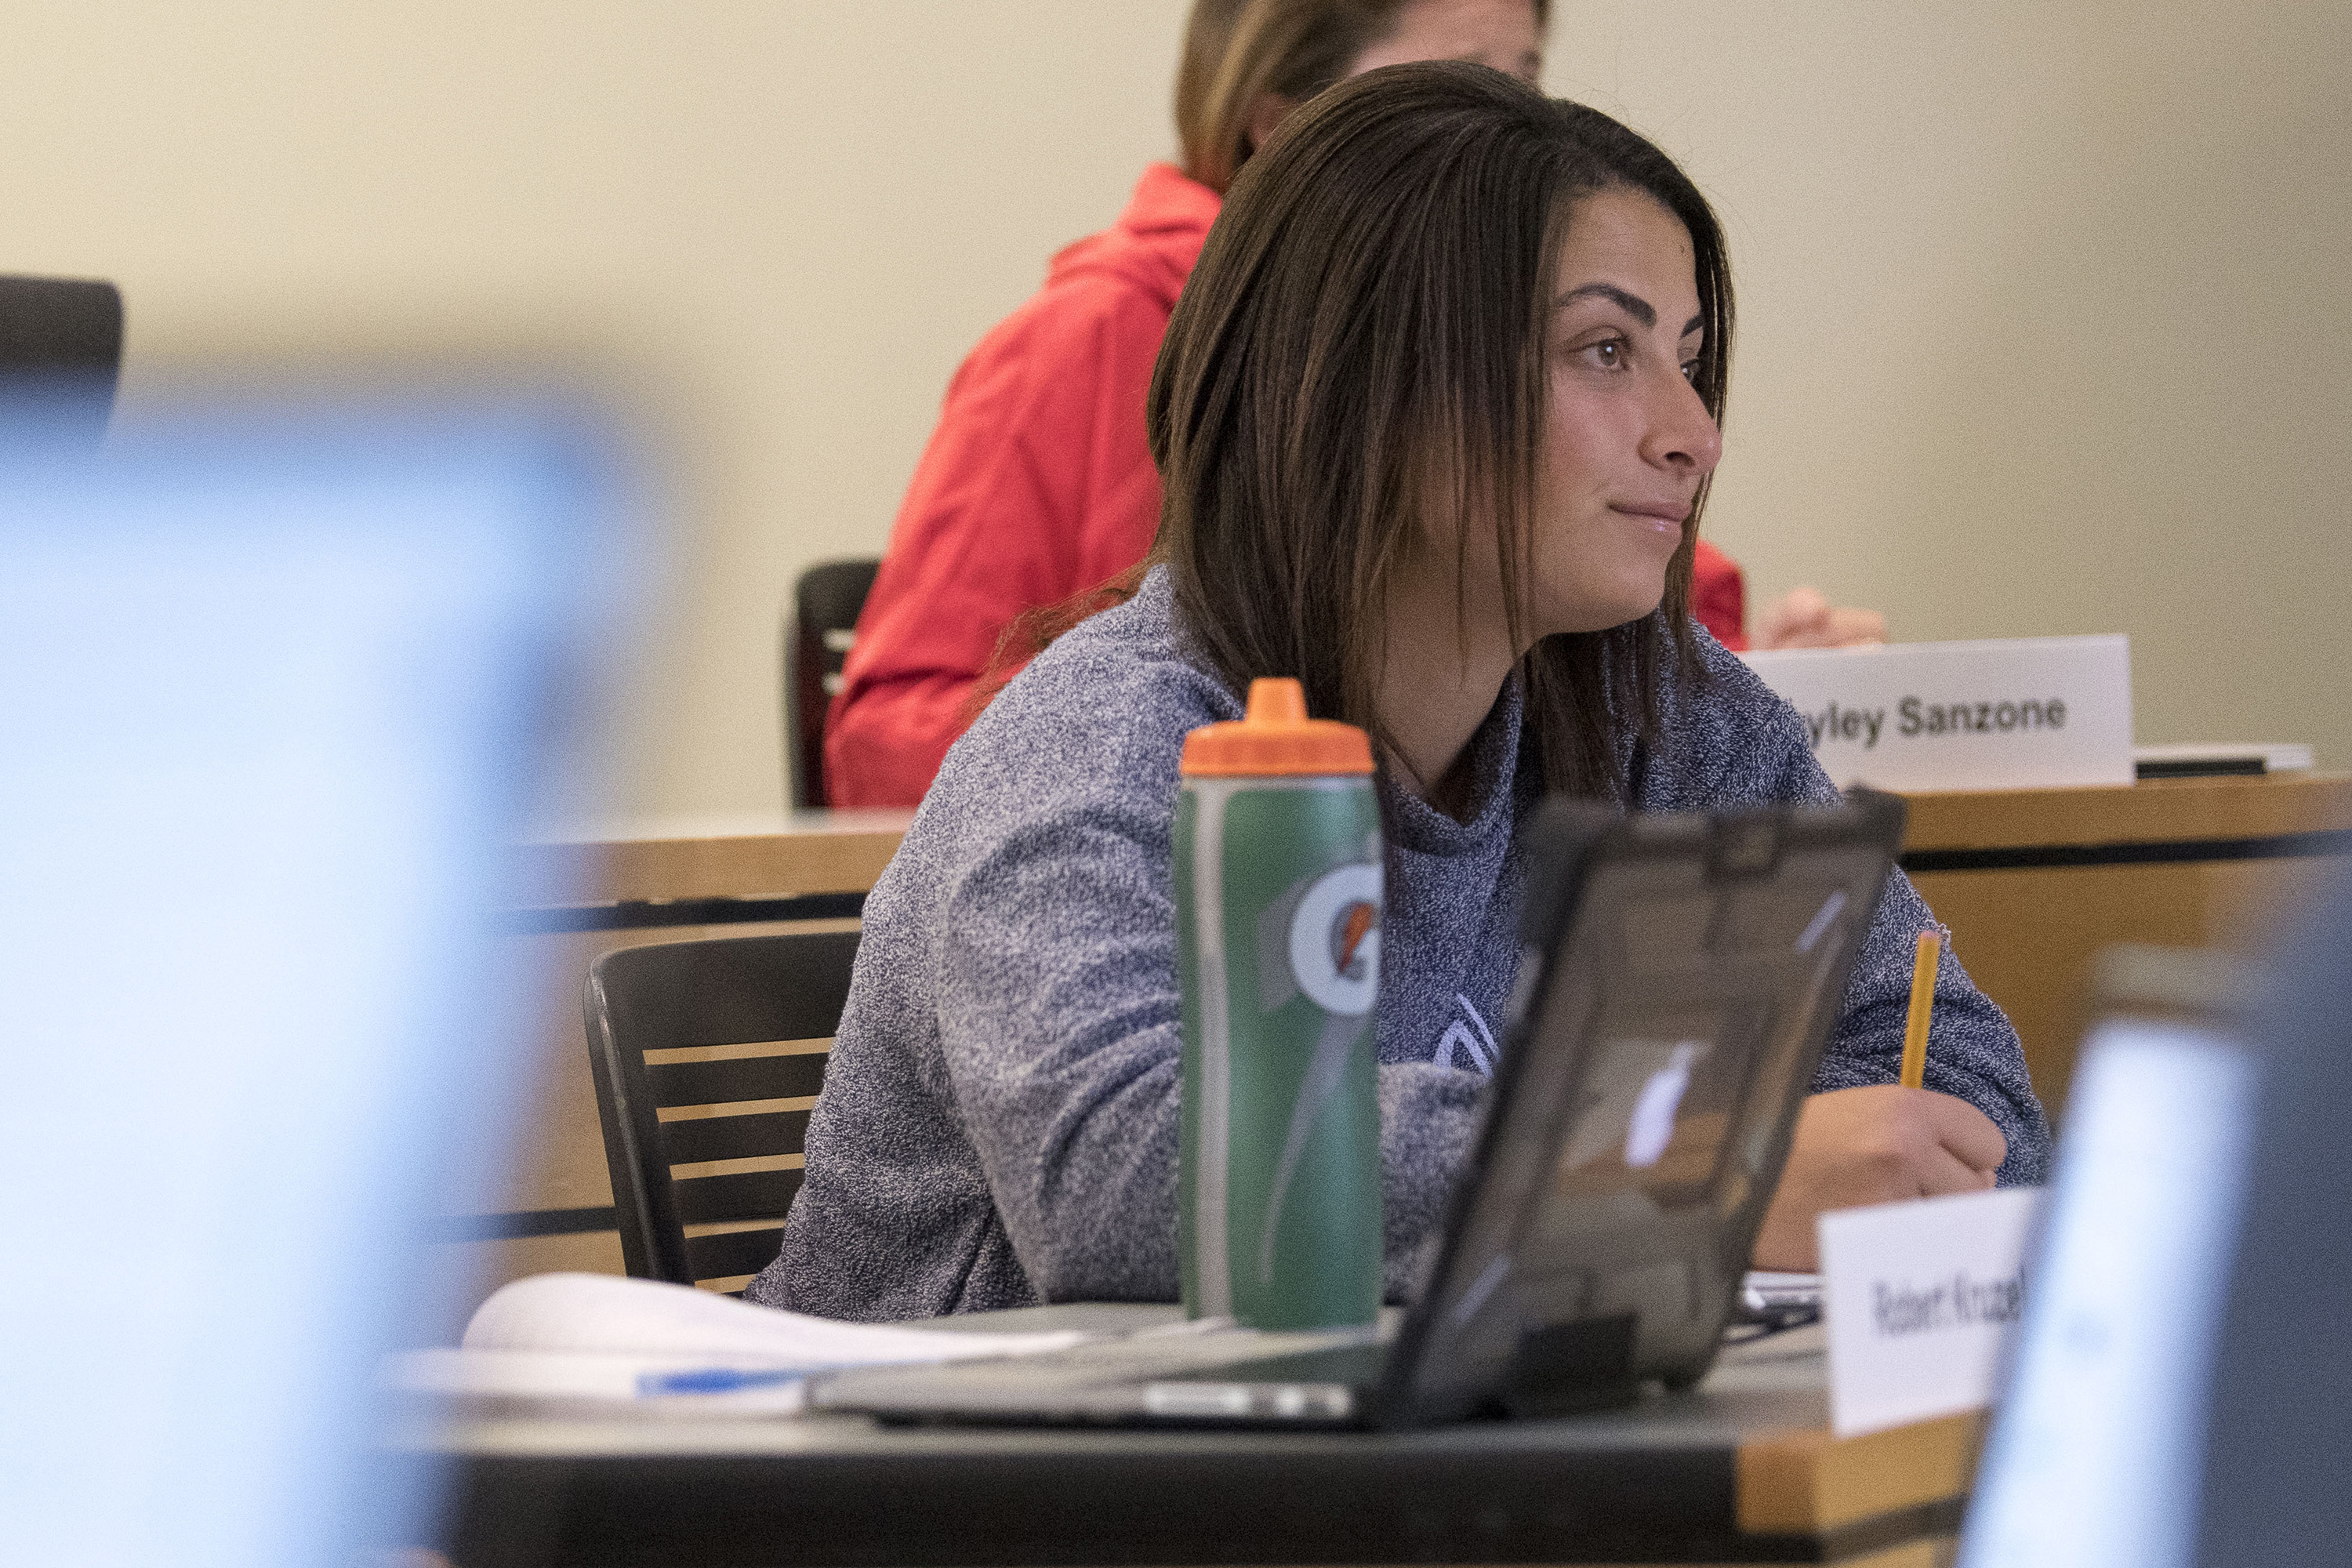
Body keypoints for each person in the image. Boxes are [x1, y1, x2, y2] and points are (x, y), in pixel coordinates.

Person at [748, 64, 2046, 1322]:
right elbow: (1124, 1176)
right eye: (1606, 349)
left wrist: (1720, 1166)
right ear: (1382, 383)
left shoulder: (1679, 720)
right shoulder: (1107, 735)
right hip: (963, 1504)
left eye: (1689, 358)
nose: (1691, 432)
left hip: (1402, 1473)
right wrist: (1681, 1171)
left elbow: (1967, 1091)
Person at [823, 0, 1883, 809]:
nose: (1523, 137)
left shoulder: (1539, 379)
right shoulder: (1084, 338)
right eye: (1466, 83)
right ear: (1286, 129)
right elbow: (880, 740)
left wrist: (1755, 676)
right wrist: (1232, 719)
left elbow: (1639, 622)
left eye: (1528, 81)